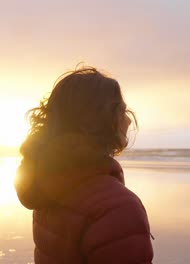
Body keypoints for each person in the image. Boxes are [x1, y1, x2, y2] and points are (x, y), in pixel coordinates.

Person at [14, 66, 154, 263]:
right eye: (121, 111)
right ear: (96, 120)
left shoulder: (47, 182)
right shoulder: (117, 207)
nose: (128, 120)